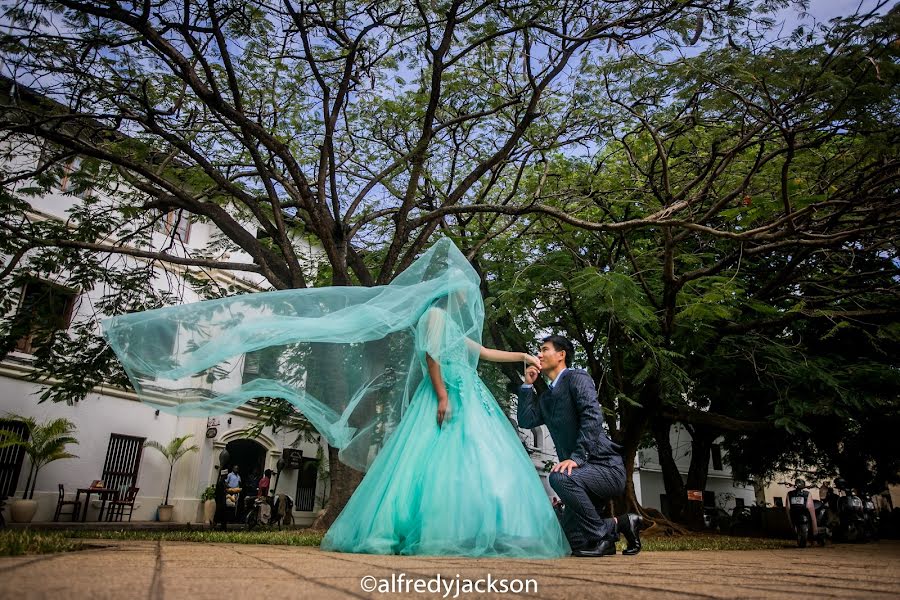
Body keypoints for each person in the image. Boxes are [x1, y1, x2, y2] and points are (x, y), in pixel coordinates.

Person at [102, 238, 569, 557]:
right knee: (425, 465)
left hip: (472, 398)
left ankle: (480, 530)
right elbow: (430, 359)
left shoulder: (458, 327)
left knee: (473, 462)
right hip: (444, 397)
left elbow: (483, 351)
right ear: (451, 294)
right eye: (465, 294)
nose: (470, 301)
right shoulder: (433, 318)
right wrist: (443, 395)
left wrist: (523, 354)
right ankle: (413, 533)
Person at [518, 335, 643, 557]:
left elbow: (592, 417)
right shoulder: (547, 399)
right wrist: (527, 387)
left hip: (605, 468)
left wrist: (577, 457)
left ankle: (603, 534)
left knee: (558, 477)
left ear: (561, 355)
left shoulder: (577, 378)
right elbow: (526, 420)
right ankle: (619, 526)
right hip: (580, 478)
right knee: (570, 542)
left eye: (544, 349)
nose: (538, 354)